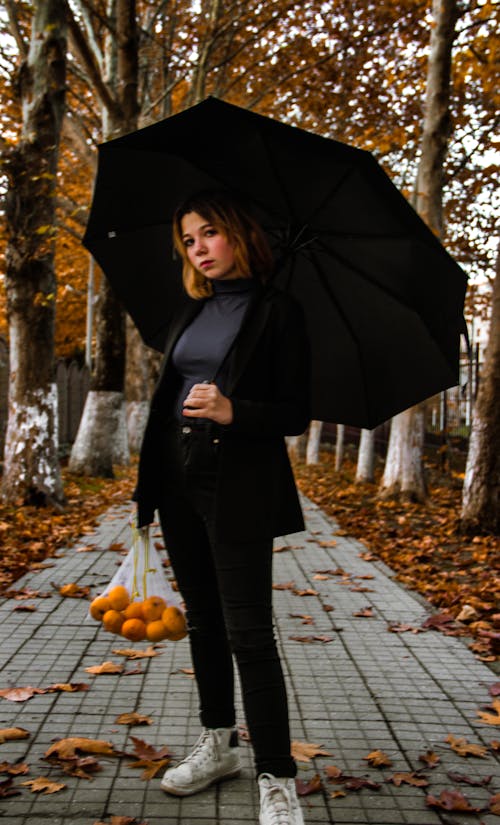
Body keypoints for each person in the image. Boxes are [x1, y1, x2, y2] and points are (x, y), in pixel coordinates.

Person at [133, 189, 311, 825]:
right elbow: (171, 394)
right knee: (205, 623)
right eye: (188, 239)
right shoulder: (192, 310)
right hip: (179, 479)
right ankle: (218, 745)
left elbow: (295, 411)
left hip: (238, 485)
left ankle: (277, 777)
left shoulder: (280, 312)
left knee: (249, 633)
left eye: (209, 233)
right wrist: (146, 489)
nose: (198, 248)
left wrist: (237, 412)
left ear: (239, 234)